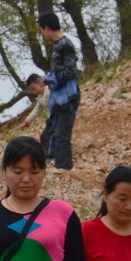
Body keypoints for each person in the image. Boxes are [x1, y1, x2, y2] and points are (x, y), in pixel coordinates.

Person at [38, 13, 81, 170]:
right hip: (59, 98)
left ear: (47, 28)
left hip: (67, 98)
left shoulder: (65, 45)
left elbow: (71, 71)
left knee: (62, 134)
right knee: (54, 133)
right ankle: (59, 165)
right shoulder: (58, 46)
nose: (43, 34)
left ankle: (64, 168)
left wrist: (51, 79)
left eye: (42, 31)